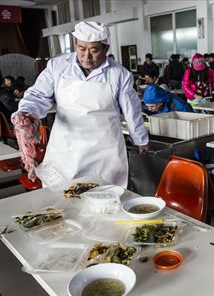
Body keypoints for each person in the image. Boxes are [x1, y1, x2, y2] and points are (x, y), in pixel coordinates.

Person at [12, 21, 148, 187]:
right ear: (75, 44)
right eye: (82, 48)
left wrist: (140, 140)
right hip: (66, 146)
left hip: (104, 149)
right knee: (62, 198)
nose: (86, 56)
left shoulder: (120, 74)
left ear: (105, 49)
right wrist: (26, 113)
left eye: (94, 50)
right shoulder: (58, 66)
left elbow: (131, 110)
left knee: (105, 197)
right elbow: (38, 95)